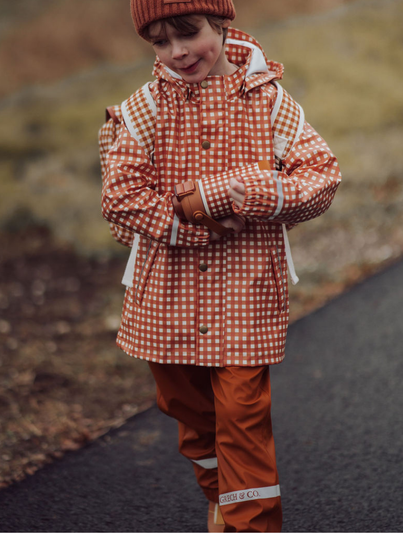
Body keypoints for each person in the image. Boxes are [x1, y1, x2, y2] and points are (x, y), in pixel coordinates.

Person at [101, 0, 342, 531]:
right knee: (188, 413)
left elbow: (321, 177)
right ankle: (221, 495)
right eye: (161, 42)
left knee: (243, 417)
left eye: (189, 33)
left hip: (246, 288)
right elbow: (120, 196)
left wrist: (262, 192)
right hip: (165, 293)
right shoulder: (143, 110)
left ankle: (248, 521)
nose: (178, 51)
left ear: (222, 24)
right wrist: (192, 217)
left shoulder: (270, 103)